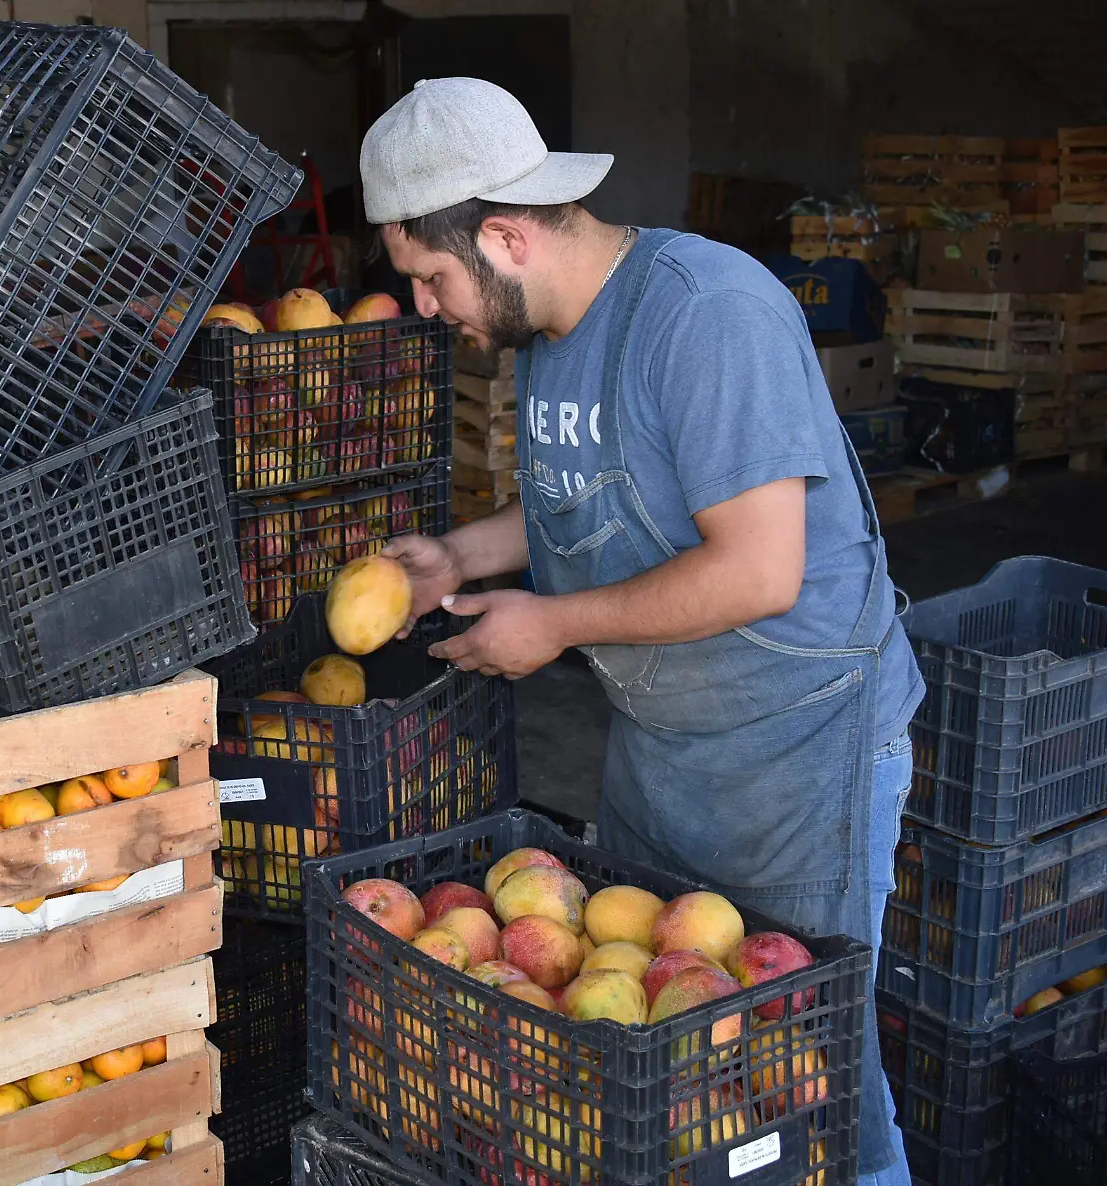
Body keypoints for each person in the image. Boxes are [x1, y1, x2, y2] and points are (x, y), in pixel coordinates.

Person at [360, 78, 920, 1185]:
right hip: (663, 746)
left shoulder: (705, 312)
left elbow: (760, 569)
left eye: (428, 277)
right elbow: (602, 492)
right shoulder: (554, 335)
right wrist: (459, 559)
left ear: (506, 236)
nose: (425, 308)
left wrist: (551, 626)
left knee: (803, 1069)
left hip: (793, 755)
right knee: (669, 1071)